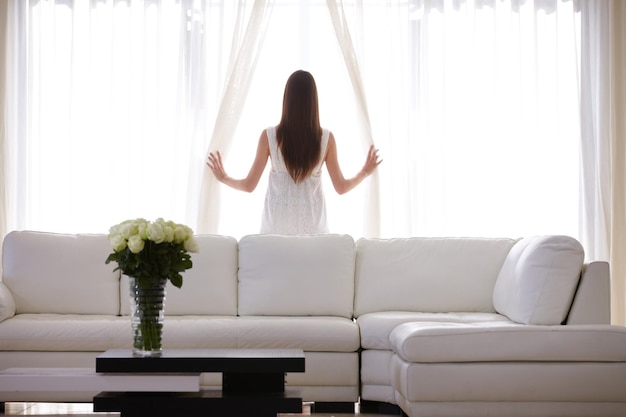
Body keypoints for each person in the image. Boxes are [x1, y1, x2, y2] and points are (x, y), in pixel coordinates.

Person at [207, 70, 382, 235]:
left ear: (286, 100)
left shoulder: (269, 137)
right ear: (314, 102)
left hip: (276, 230)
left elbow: (248, 185)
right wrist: (364, 172)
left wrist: (223, 177)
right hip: (313, 232)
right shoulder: (326, 139)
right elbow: (341, 187)